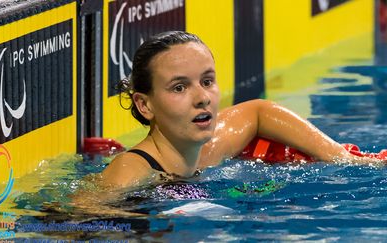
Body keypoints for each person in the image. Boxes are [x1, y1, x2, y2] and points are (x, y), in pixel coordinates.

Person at [100, 31, 383, 189]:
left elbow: (258, 112)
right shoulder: (130, 172)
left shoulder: (205, 149)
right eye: (179, 88)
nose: (202, 98)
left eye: (207, 81)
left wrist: (342, 158)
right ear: (145, 105)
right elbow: (82, 224)